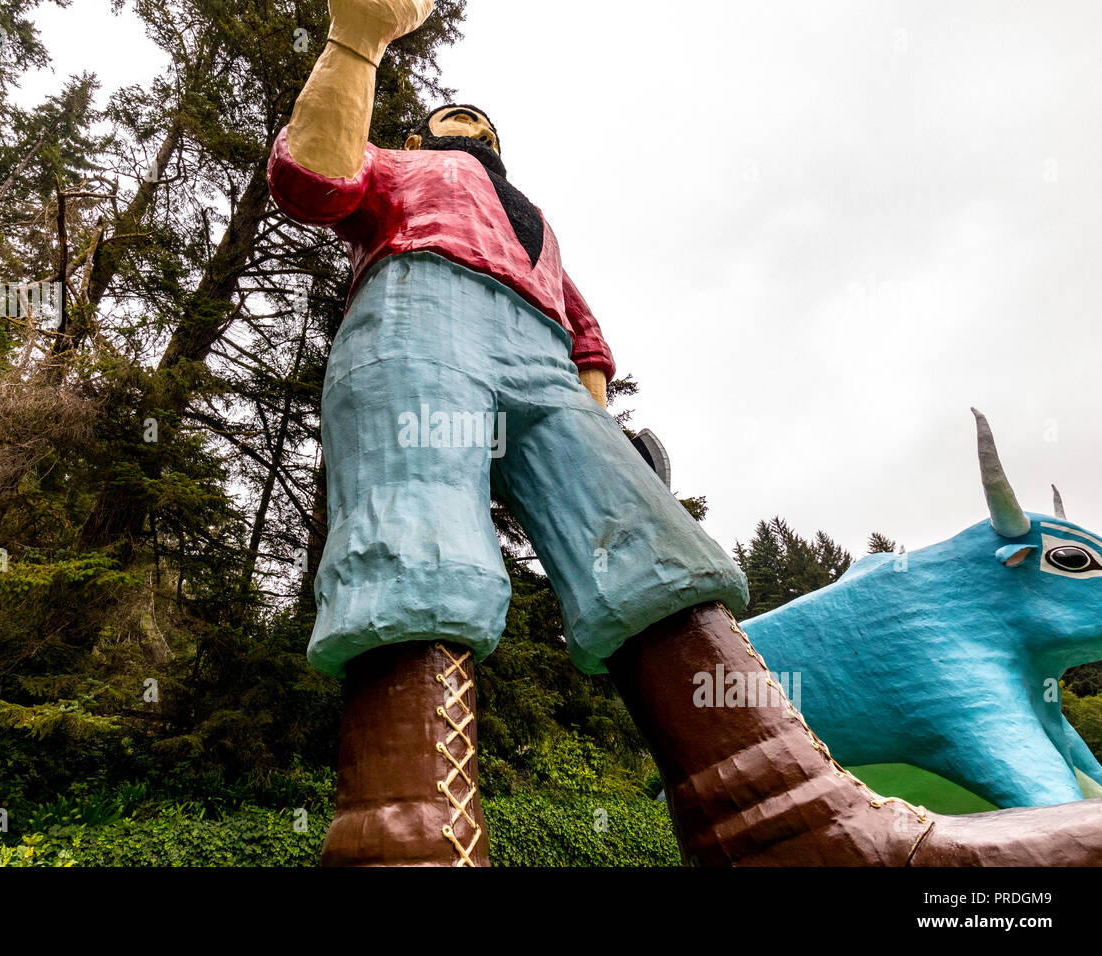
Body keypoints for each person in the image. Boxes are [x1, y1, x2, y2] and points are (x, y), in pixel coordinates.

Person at [267, 0, 1102, 866]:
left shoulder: (539, 228)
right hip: (418, 309)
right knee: (414, 525)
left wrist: (595, 424)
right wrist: (356, 38)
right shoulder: (403, 167)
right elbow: (316, 181)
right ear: (426, 133)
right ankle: (401, 834)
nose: (465, 124)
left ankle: (780, 817)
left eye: (478, 121)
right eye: (451, 118)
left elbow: (587, 336)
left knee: (645, 545)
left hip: (544, 358)